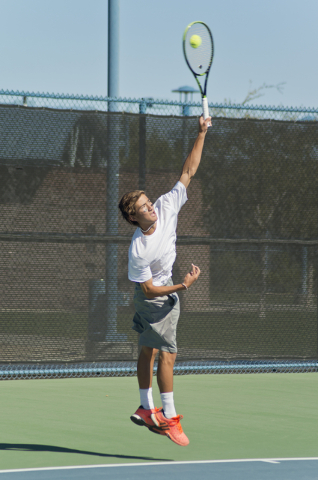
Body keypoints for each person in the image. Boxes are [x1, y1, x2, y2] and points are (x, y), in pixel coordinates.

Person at [118, 114, 211, 447]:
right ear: (133, 217)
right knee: (166, 355)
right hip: (155, 299)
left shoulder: (167, 205)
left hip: (154, 297)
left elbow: (188, 171)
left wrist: (201, 132)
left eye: (148, 202)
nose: (150, 208)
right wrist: (182, 287)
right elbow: (149, 289)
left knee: (148, 352)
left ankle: (146, 409)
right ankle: (169, 417)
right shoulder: (139, 249)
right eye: (143, 208)